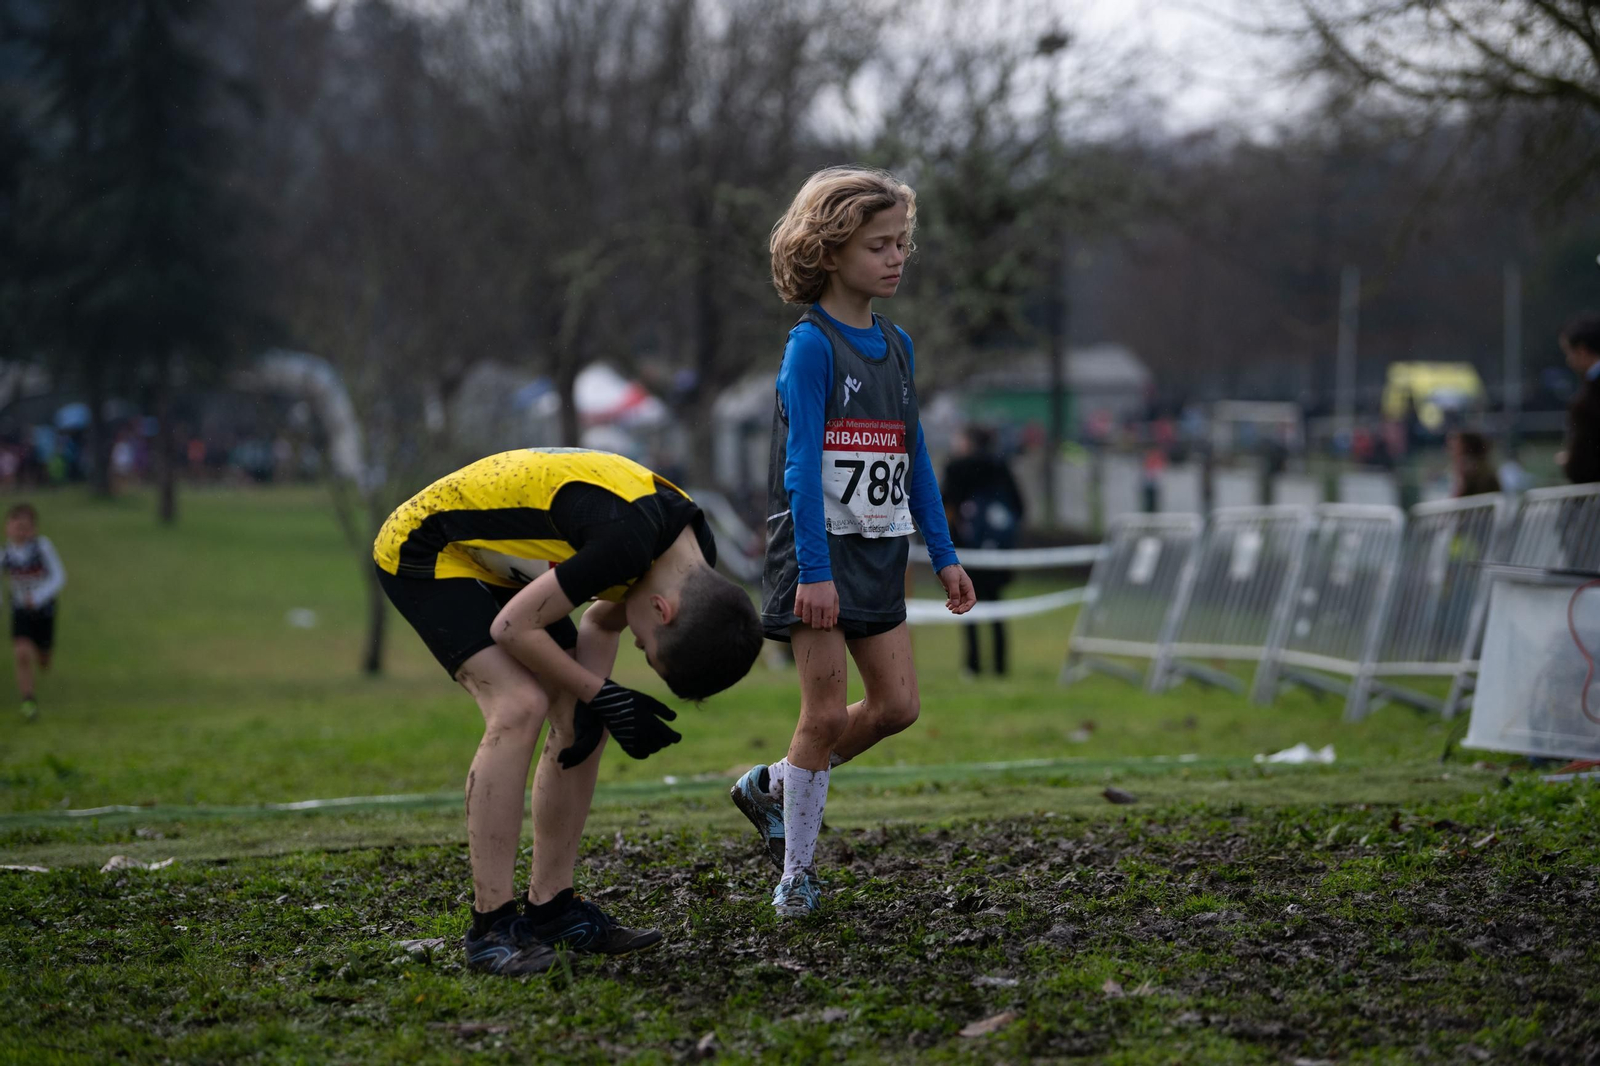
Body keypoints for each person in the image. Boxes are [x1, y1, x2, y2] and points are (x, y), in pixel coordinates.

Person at [372, 447, 764, 975]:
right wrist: (599, 692)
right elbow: (512, 628)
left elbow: (600, 623)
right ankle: (490, 930)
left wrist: (591, 706)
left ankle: (552, 910)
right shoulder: (629, 544)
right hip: (428, 544)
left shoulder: (690, 560)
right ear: (662, 610)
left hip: (501, 561)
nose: (639, 647)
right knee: (518, 705)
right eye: (647, 648)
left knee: (582, 721)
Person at [729, 165, 976, 918]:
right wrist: (814, 571)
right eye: (879, 245)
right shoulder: (811, 348)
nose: (896, 257)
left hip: (879, 554)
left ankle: (776, 783)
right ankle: (796, 874)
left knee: (898, 705)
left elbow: (914, 458)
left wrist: (945, 555)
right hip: (816, 558)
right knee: (826, 716)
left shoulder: (898, 346)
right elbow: (801, 467)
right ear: (829, 252)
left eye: (902, 243)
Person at [942, 425, 1024, 676]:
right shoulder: (1000, 465)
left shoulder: (956, 468)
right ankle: (1000, 665)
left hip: (965, 550)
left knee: (966, 604)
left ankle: (973, 665)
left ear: (968, 441)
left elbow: (944, 507)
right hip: (997, 551)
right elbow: (1019, 507)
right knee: (996, 605)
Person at [3, 503, 65, 722]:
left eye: (25, 527)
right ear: (7, 528)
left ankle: (44, 653)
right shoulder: (6, 554)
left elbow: (59, 576)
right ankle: (28, 701)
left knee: (43, 659)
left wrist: (38, 597)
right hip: (20, 610)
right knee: (21, 653)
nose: (20, 531)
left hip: (44, 610)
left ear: (33, 529)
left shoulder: (42, 548)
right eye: (16, 526)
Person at [1558, 313, 1600, 485]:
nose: (1568, 361)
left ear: (1582, 351)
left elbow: (1583, 464)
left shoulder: (1588, 400)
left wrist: (1570, 461)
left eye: (1569, 352)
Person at [1447, 430, 1502, 498]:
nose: (1450, 451)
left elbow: (1458, 497)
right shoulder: (1485, 466)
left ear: (1465, 446)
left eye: (1453, 447)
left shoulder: (1467, 468)